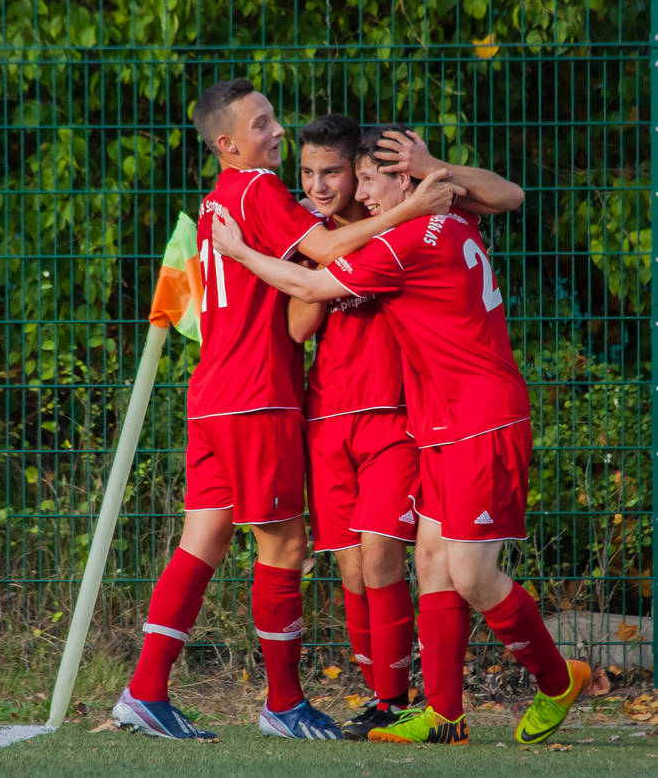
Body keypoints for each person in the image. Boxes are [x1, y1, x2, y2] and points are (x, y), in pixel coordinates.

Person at [209, 125, 590, 746]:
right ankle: (444, 714)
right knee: (433, 562)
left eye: (366, 179)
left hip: (479, 416)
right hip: (441, 417)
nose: (358, 191)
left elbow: (308, 288)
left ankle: (556, 680)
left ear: (406, 179)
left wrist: (242, 251)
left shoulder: (405, 239)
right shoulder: (436, 221)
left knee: (468, 573)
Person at [112, 81, 461, 741]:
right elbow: (328, 252)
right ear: (228, 144)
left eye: (274, 118)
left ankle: (145, 690)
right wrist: (410, 206)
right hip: (257, 396)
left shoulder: (216, 198)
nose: (276, 131)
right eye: (262, 122)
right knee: (287, 545)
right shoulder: (254, 191)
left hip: (211, 397)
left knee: (201, 544)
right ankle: (285, 702)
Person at [291, 116, 526, 739]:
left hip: (411, 416)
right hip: (358, 419)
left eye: (343, 174)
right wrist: (340, 239)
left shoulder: (420, 228)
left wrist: (426, 174)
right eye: (309, 174)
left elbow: (511, 195)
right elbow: (299, 323)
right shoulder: (346, 232)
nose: (326, 186)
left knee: (399, 563)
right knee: (375, 567)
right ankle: (419, 705)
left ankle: (424, 698)